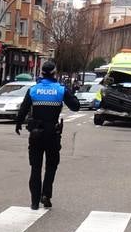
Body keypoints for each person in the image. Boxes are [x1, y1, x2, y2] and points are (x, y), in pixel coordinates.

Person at [14, 60, 81, 209]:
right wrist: (71, 93)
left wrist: (18, 124)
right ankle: (46, 194)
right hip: (52, 134)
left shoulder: (33, 90)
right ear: (54, 73)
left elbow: (23, 109)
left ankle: (34, 202)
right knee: (51, 166)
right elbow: (76, 107)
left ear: (42, 73)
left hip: (36, 134)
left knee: (35, 168)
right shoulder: (60, 90)